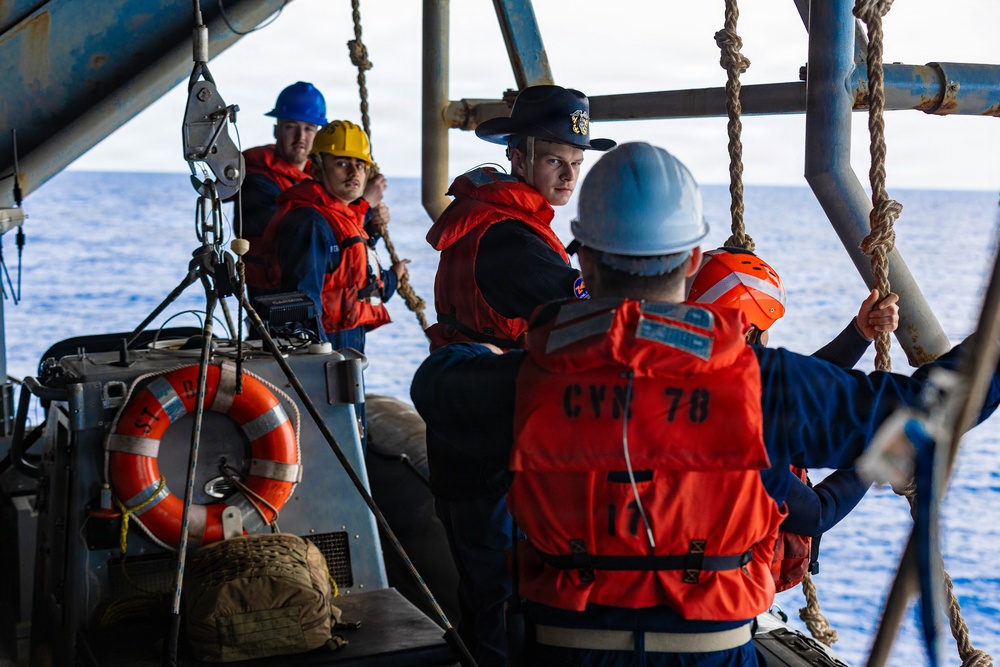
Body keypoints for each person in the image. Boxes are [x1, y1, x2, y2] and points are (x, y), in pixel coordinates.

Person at [410, 142, 1000, 666]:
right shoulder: (766, 383)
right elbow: (933, 408)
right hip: (714, 651)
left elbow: (434, 385)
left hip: (563, 647)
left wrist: (486, 351)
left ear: (584, 262)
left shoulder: (524, 385)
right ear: (693, 262)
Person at [423, 84, 615, 667]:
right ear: (520, 155)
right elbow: (584, 314)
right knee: (506, 582)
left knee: (482, 580)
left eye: (577, 163)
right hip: (496, 421)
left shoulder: (487, 217)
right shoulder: (512, 238)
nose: (569, 175)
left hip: (460, 410)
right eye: (557, 159)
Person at [688, 247, 898, 591]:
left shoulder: (683, 384)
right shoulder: (740, 423)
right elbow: (816, 513)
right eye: (766, 328)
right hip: (711, 604)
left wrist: (859, 334)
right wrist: (878, 457)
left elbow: (792, 390)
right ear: (745, 332)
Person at [260, 119, 408, 352]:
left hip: (345, 344)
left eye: (360, 165)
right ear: (317, 170)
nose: (353, 172)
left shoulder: (339, 217)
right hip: (324, 351)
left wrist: (391, 277)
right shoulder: (310, 223)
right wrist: (316, 365)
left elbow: (351, 280)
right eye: (342, 163)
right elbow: (301, 307)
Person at [236, 82, 327, 297]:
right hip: (273, 294)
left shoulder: (318, 177)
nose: (301, 137)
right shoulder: (257, 179)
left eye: (309, 128)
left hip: (310, 289)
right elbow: (296, 229)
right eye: (291, 126)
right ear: (276, 130)